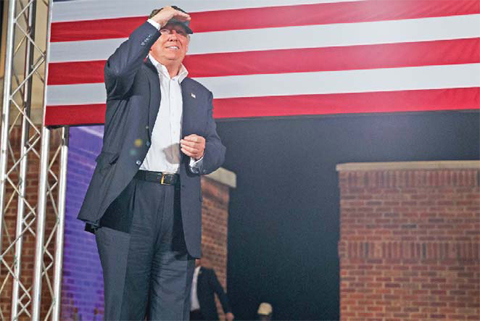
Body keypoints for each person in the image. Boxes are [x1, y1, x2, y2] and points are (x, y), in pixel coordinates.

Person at [77, 5, 226, 321]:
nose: (174, 36)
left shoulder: (200, 93)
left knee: (172, 312)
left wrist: (202, 152)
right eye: (166, 30)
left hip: (177, 207)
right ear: (151, 38)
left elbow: (217, 148)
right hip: (130, 201)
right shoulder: (130, 78)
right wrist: (154, 21)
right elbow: (116, 69)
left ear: (188, 43)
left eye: (181, 32)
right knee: (125, 309)